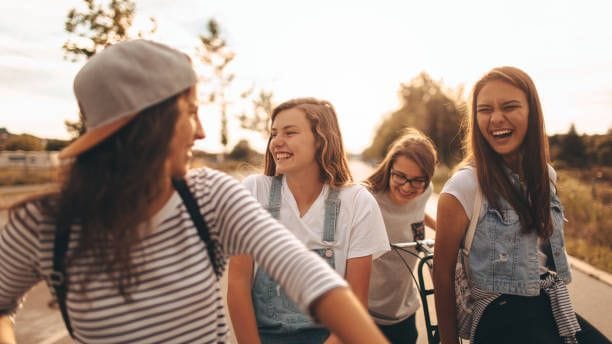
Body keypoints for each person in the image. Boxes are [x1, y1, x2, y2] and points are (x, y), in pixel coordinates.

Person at [0, 40, 390, 344]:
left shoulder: (209, 196)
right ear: (149, 123)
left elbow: (307, 275)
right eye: (190, 111)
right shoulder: (39, 226)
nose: (201, 131)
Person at [433, 66, 580, 344]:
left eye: (510, 106)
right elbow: (442, 272)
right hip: (499, 317)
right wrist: (448, 341)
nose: (496, 119)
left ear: (532, 113)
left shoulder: (545, 175)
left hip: (548, 304)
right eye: (485, 109)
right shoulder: (463, 186)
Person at [227, 98, 390, 344]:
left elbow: (356, 303)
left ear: (322, 139)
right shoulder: (253, 191)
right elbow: (238, 284)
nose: (276, 142)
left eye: (290, 132)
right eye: (273, 134)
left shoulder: (357, 202)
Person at [363, 128, 438, 344]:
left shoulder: (425, 190)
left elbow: (415, 213)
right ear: (389, 168)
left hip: (404, 312)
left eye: (417, 180)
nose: (407, 187)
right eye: (400, 176)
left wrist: (440, 229)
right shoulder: (367, 199)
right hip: (367, 314)